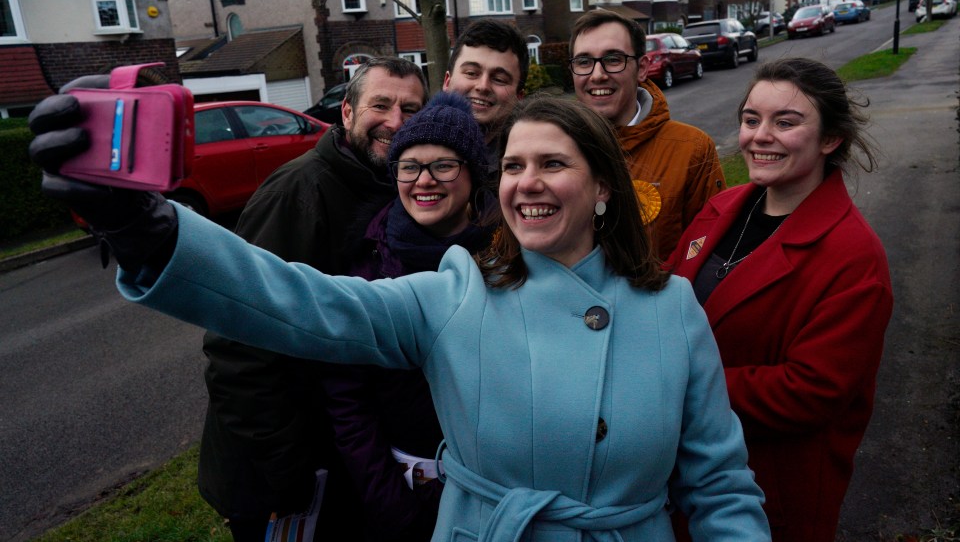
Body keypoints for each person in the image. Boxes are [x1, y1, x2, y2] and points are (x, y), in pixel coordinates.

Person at [30, 94, 772, 541]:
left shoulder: (673, 310)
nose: (527, 183)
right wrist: (151, 231)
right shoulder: (457, 288)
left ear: (605, 186)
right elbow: (301, 302)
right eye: (512, 166)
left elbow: (720, 486)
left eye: (553, 163)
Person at [198, 57, 428, 540]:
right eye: (380, 105)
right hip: (280, 473)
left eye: (411, 108)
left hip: (338, 453)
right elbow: (237, 344)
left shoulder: (392, 187)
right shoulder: (298, 193)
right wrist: (287, 469)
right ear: (346, 113)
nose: (395, 121)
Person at [666, 58, 893, 542]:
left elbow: (809, 393)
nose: (759, 136)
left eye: (785, 123)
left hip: (768, 492)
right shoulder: (722, 209)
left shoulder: (855, 257)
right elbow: (665, 298)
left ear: (830, 139)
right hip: (685, 477)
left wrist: (678, 385)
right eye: (751, 120)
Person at [320, 91, 497, 541]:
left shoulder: (506, 257)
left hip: (497, 492)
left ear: (472, 174)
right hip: (404, 490)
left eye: (443, 165)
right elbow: (347, 398)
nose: (424, 181)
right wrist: (391, 505)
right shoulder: (368, 261)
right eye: (409, 166)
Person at [569, 9, 726, 260]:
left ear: (642, 68)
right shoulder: (554, 149)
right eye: (584, 62)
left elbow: (709, 252)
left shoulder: (692, 149)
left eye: (613, 59)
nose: (597, 75)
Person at [442, 18, 528, 151]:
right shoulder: (413, 150)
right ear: (447, 81)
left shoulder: (529, 163)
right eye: (471, 73)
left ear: (519, 97)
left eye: (499, 79)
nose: (483, 86)